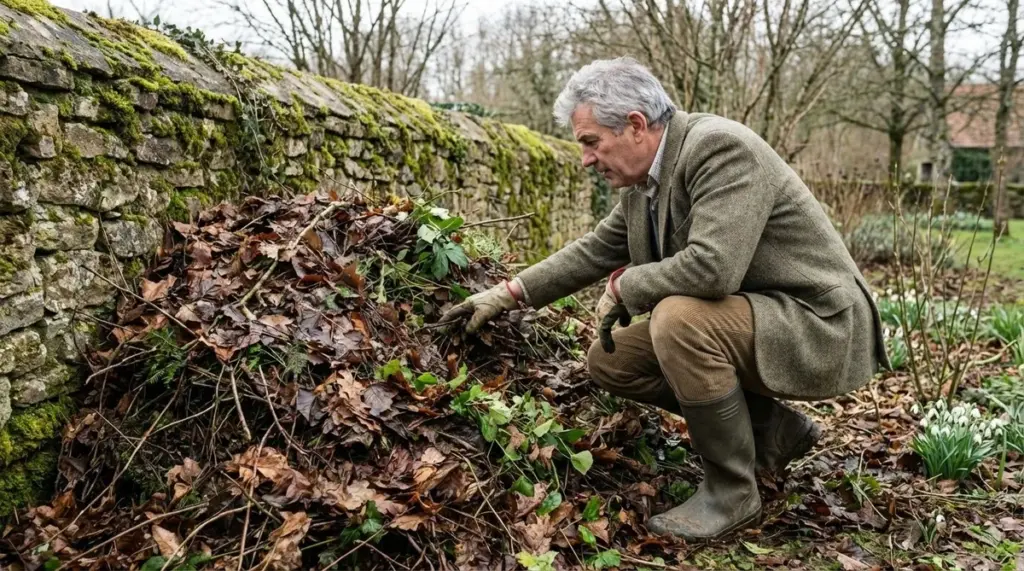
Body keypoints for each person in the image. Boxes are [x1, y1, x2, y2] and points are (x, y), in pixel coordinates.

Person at [438, 56, 889, 541]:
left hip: (818, 320)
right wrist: (505, 295)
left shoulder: (721, 148)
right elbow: (594, 249)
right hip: (762, 315)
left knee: (679, 320)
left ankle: (733, 491)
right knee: (612, 361)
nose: (586, 159)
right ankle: (771, 430)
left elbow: (713, 269)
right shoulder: (644, 184)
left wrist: (623, 286)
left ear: (635, 125)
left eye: (591, 142)